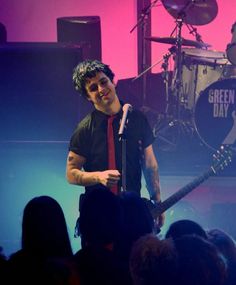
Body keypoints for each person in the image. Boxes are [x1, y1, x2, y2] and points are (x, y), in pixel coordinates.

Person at [66, 59, 164, 227]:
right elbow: (71, 173)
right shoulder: (84, 129)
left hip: (132, 212)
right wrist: (98, 176)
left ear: (113, 81)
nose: (101, 89)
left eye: (104, 82)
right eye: (93, 88)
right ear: (88, 97)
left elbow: (150, 165)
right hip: (98, 215)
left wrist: (157, 202)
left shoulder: (137, 119)